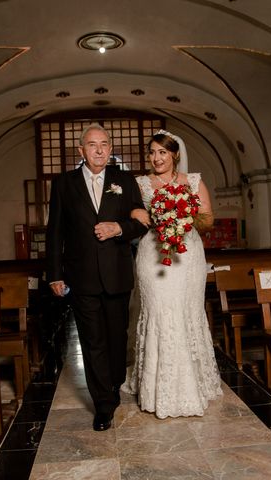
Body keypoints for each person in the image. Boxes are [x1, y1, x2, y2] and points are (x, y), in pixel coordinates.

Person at [45, 123, 148, 431]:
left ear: (111, 148)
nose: (99, 149)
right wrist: (54, 274)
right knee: (93, 341)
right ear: (81, 150)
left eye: (104, 143)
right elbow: (55, 233)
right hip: (81, 275)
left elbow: (142, 222)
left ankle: (114, 383)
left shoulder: (124, 180)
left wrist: (119, 229)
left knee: (117, 337)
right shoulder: (64, 183)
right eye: (92, 144)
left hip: (117, 273)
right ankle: (103, 404)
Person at [122, 130, 223, 419]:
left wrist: (181, 215)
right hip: (153, 253)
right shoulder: (140, 184)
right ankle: (156, 387)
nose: (156, 158)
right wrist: (147, 215)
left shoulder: (193, 181)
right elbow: (132, 215)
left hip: (187, 254)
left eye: (162, 152)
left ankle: (193, 384)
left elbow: (207, 219)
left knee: (185, 311)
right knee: (158, 310)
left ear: (175, 154)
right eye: (152, 152)